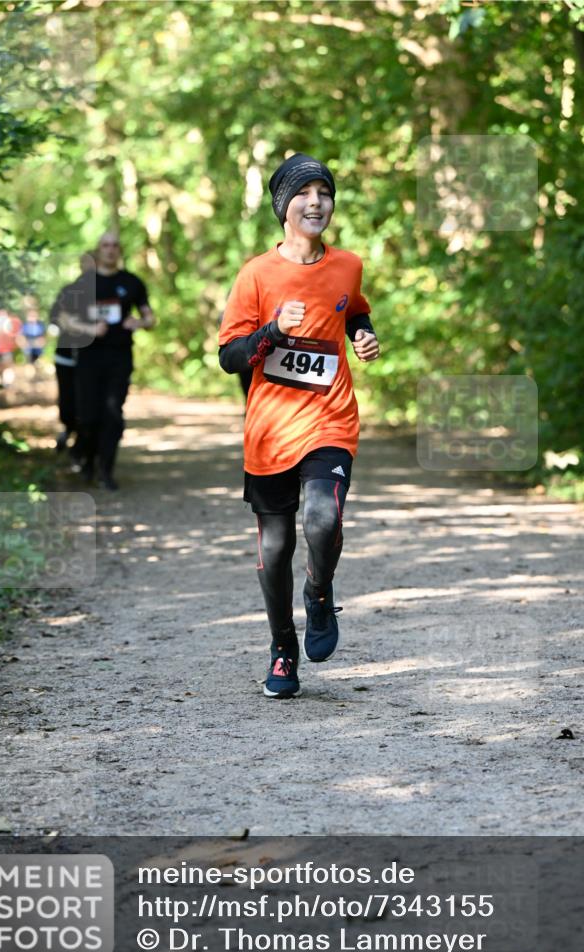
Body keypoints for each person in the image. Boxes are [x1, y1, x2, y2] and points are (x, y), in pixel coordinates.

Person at [218, 153, 380, 699]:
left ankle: (318, 592)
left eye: (325, 192)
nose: (316, 202)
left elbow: (353, 308)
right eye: (304, 193)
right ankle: (283, 649)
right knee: (275, 548)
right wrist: (270, 330)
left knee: (322, 517)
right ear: (283, 206)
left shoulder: (348, 265)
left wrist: (364, 334)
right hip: (269, 431)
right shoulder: (256, 274)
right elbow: (230, 356)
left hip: (330, 419)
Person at [58, 234, 155, 490]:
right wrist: (87, 328)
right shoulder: (83, 283)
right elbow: (65, 319)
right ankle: (87, 459)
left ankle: (106, 470)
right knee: (88, 416)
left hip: (119, 358)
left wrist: (140, 322)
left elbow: (150, 317)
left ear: (120, 251)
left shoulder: (131, 282)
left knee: (112, 414)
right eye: (105, 246)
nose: (110, 250)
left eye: (115, 246)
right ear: (98, 250)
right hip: (88, 358)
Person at [49, 252, 96, 458]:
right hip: (67, 358)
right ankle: (69, 430)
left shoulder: (103, 292)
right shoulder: (68, 292)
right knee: (68, 402)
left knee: (88, 404)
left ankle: (84, 447)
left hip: (93, 361)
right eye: (86, 263)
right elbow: (56, 318)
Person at [0, 307, 21, 387]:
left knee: (7, 366)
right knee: (0, 366)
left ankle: (7, 383)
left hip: (7, 349)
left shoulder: (10, 322)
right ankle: (3, 381)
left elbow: (15, 334)